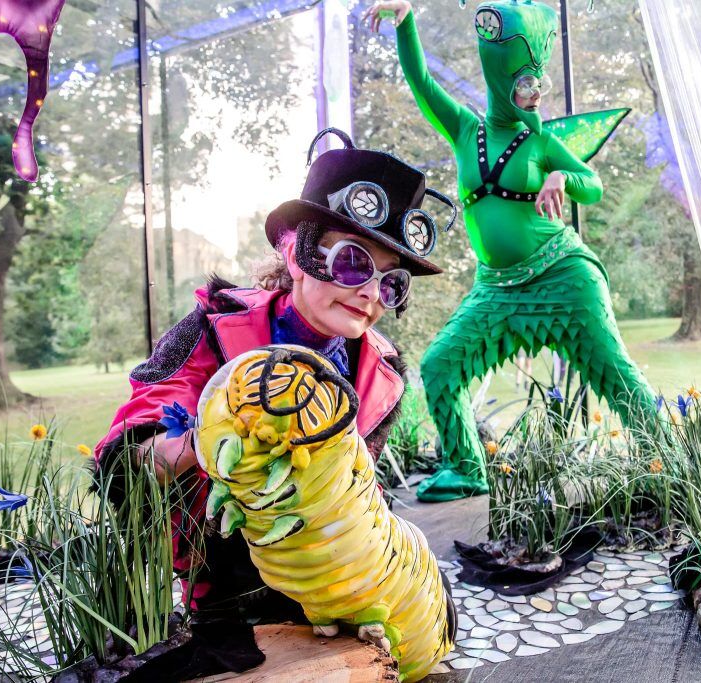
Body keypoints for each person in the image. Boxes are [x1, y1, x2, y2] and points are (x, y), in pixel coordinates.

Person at [94, 128, 453, 619]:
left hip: (327, 579)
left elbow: (359, 498)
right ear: (297, 254)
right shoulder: (211, 330)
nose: (370, 291)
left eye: (391, 281)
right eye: (353, 262)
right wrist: (221, 434)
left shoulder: (382, 375)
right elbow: (122, 464)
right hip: (223, 578)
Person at [365, 0, 661, 502]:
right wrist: (406, 19)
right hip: (496, 289)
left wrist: (563, 176)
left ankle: (668, 459)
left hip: (564, 276)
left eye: (537, 82)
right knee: (440, 364)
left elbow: (594, 186)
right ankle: (464, 466)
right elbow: (420, 81)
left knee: (613, 369)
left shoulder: (542, 143)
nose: (534, 92)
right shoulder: (464, 130)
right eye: (524, 82)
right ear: (501, 80)